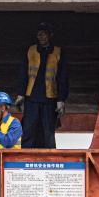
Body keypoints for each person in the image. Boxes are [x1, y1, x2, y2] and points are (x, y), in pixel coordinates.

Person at [20, 21, 69, 149]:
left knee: (48, 131)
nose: (41, 37)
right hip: (32, 97)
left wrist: (61, 100)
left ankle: (50, 159)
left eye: (44, 34)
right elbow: (23, 73)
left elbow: (62, 77)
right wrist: (20, 94)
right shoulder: (31, 50)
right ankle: (23, 159)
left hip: (50, 98)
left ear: (50, 35)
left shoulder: (58, 52)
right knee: (28, 129)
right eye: (39, 34)